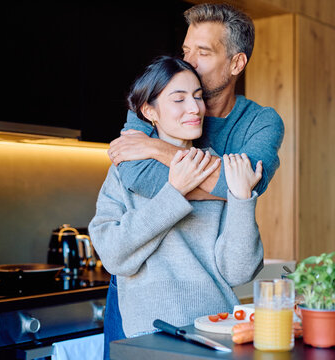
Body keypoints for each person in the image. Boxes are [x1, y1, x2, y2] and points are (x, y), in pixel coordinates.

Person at [102, 3, 284, 358]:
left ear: (236, 64)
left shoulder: (261, 123)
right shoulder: (149, 99)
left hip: (209, 314)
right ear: (151, 112)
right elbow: (136, 175)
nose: (189, 63)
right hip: (136, 304)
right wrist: (227, 187)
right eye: (186, 51)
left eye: (203, 52)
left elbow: (250, 187)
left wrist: (156, 148)